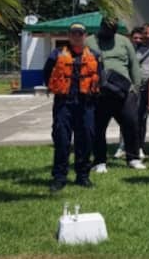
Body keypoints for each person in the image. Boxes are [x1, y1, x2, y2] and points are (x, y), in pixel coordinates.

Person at [44, 22, 103, 192]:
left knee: (86, 139)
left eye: (80, 33)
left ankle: (82, 176)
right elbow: (47, 75)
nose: (77, 36)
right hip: (64, 103)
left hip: (87, 104)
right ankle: (59, 177)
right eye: (74, 33)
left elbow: (101, 77)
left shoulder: (95, 55)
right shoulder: (57, 54)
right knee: (62, 139)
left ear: (85, 36)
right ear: (69, 35)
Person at [88, 18, 145, 173]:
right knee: (98, 128)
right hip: (100, 93)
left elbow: (134, 64)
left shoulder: (124, 41)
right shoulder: (89, 42)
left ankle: (133, 158)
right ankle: (99, 161)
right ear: (101, 27)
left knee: (131, 124)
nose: (110, 33)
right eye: (107, 29)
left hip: (125, 91)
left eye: (113, 30)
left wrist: (135, 88)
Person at [133, 23, 149, 160]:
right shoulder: (135, 48)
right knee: (139, 120)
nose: (147, 36)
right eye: (145, 33)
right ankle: (139, 147)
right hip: (139, 89)